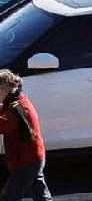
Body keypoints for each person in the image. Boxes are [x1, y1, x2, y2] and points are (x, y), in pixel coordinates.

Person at [0, 69, 53, 201]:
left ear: (5, 91)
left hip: (26, 160)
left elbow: (6, 126)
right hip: (34, 156)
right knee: (40, 195)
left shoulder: (16, 107)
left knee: (10, 197)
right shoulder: (19, 101)